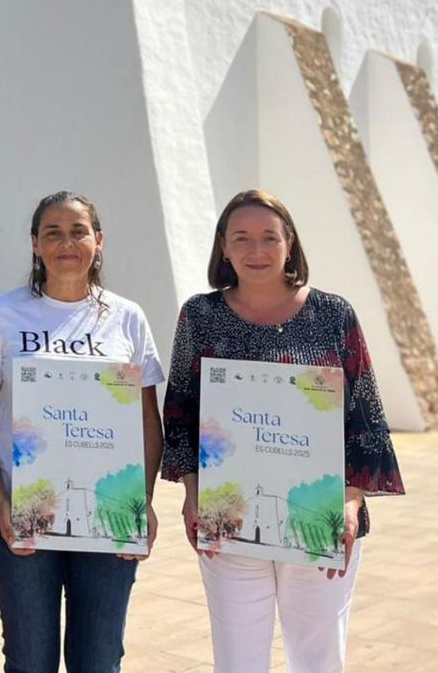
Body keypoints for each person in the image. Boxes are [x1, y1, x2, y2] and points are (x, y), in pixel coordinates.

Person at [161, 189, 404, 673]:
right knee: (237, 659)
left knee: (318, 658)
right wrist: (192, 493)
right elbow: (182, 414)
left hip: (320, 515)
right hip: (227, 517)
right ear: (223, 247)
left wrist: (351, 502)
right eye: (242, 238)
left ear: (289, 244)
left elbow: (366, 418)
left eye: (269, 238)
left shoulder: (333, 314)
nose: (256, 251)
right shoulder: (200, 316)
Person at [0, 190, 164, 673]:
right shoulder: (3, 313)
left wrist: (141, 500)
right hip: (19, 516)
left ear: (99, 240)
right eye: (52, 232)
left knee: (98, 661)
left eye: (78, 231)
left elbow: (146, 423)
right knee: (30, 661)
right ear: (35, 244)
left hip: (107, 517)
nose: (66, 242)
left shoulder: (128, 318)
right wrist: (2, 500)